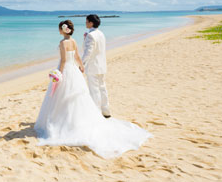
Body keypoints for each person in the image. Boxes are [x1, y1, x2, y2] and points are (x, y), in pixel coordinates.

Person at [34, 20, 151, 158]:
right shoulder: (73, 41)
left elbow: (64, 60)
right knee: (77, 96)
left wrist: (58, 73)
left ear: (63, 30)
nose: (59, 30)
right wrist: (81, 66)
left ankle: (63, 122)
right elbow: (77, 56)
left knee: (62, 96)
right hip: (75, 71)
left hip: (66, 70)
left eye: (60, 28)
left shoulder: (62, 43)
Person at [82, 14, 111, 118]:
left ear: (91, 23)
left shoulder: (91, 35)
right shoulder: (101, 34)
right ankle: (106, 111)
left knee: (94, 90)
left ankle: (97, 112)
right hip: (102, 66)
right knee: (102, 88)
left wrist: (82, 63)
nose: (85, 23)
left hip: (93, 67)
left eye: (86, 21)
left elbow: (88, 52)